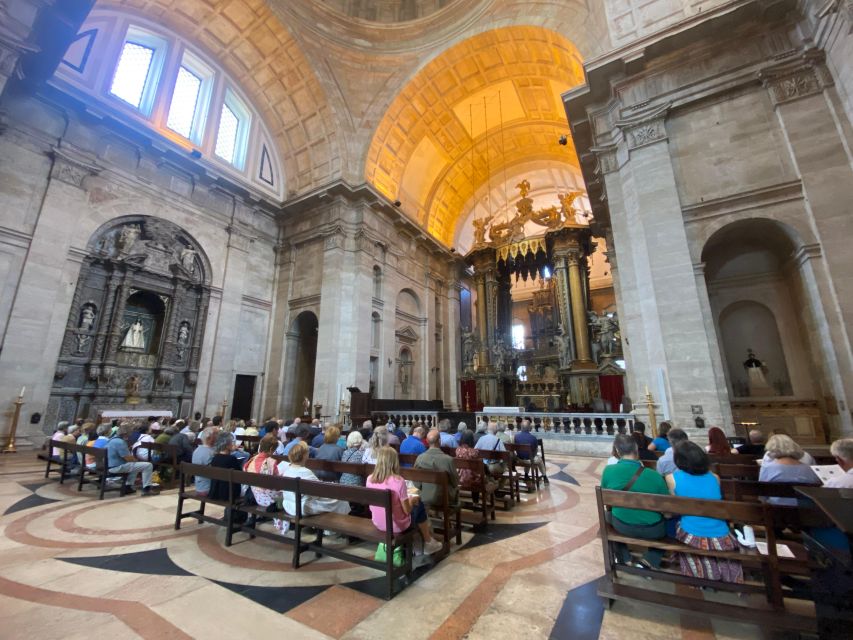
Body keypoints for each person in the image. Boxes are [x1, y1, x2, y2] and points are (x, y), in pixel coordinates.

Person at [665, 442, 742, 584]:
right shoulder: (715, 478)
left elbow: (674, 507)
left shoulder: (672, 478)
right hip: (722, 536)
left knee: (670, 520)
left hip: (691, 532)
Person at [601, 434, 670, 568]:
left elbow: (607, 502)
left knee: (606, 517)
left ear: (617, 451)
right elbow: (667, 510)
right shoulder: (655, 476)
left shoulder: (608, 471)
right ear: (637, 449)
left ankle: (624, 557)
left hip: (621, 525)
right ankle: (651, 559)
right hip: (654, 530)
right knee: (672, 523)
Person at [366, 446, 443, 555]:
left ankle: (423, 543)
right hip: (396, 526)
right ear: (394, 462)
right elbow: (407, 511)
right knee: (419, 504)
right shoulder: (398, 481)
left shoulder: (369, 479)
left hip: (378, 522)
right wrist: (412, 501)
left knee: (417, 506)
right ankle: (428, 542)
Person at [280, 442, 349, 518]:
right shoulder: (305, 472)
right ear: (304, 456)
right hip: (302, 507)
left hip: (288, 504)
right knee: (341, 499)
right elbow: (320, 491)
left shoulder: (287, 470)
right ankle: (336, 525)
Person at [759, 434, 821, 505]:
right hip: (807, 510)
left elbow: (762, 495)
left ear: (771, 450)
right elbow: (817, 492)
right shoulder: (810, 469)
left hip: (778, 509)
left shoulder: (768, 469)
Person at [208, 432, 249, 525]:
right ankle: (239, 518)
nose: (234, 445)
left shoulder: (215, 458)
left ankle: (231, 515)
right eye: (232, 443)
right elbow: (240, 476)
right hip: (228, 493)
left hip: (215, 491)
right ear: (227, 445)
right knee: (249, 490)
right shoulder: (231, 459)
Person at [106, 423, 157, 496]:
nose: (131, 435)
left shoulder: (112, 440)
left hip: (110, 464)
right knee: (148, 465)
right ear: (126, 433)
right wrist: (135, 460)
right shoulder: (120, 442)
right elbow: (128, 458)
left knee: (135, 466)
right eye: (130, 433)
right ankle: (147, 489)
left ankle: (128, 487)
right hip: (116, 467)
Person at [414, 429, 459, 508]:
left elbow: (417, 483)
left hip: (425, 497)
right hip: (445, 498)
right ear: (440, 441)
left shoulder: (420, 458)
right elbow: (455, 482)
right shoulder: (448, 460)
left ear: (427, 441)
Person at [243, 434, 283, 510]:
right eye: (274, 450)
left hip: (257, 496)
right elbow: (278, 483)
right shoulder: (271, 462)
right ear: (271, 449)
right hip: (270, 499)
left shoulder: (251, 460)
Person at [514, 420, 549, 485]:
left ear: (521, 427)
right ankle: (544, 477)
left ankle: (526, 475)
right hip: (530, 460)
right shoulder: (533, 438)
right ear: (529, 428)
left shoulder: (516, 437)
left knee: (528, 456)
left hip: (519, 459)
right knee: (538, 459)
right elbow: (535, 451)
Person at [191, 426, 218, 496]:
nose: (217, 437)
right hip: (209, 489)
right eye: (216, 435)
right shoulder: (211, 452)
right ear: (209, 438)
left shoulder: (196, 450)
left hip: (198, 486)